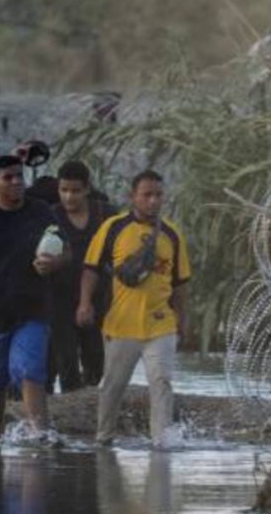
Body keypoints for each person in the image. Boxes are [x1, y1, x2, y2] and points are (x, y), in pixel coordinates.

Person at [78, 170, 191, 448]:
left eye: (158, 195)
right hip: (120, 325)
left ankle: (161, 442)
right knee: (112, 387)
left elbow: (180, 284)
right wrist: (84, 303)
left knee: (161, 382)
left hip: (160, 324)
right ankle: (104, 439)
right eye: (147, 195)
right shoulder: (113, 228)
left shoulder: (172, 234)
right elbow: (91, 269)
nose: (153, 201)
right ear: (133, 197)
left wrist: (184, 321)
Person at [0, 155, 68, 439]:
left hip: (34, 306)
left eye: (20, 175)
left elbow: (65, 251)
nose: (17, 181)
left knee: (31, 368)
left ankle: (39, 433)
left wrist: (54, 263)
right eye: (8, 177)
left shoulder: (41, 210)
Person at [48, 160, 115, 392]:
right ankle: (69, 412)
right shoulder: (51, 215)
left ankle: (90, 408)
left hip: (99, 297)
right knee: (65, 360)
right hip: (60, 298)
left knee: (96, 359)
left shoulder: (104, 213)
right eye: (63, 190)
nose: (69, 197)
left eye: (75, 191)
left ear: (87, 188)